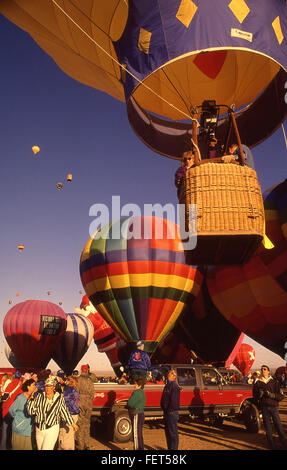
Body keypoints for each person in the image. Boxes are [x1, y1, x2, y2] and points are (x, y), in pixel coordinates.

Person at [26, 376, 76, 451]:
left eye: (49, 386)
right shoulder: (39, 396)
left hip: (52, 428)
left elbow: (64, 411)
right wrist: (32, 397)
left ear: (54, 387)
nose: (47, 388)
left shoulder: (59, 397)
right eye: (46, 386)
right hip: (39, 429)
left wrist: (72, 423)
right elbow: (31, 411)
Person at [253, 364, 287, 450]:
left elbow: (281, 396)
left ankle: (284, 443)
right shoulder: (258, 383)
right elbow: (254, 396)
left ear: (268, 371)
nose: (263, 370)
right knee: (268, 428)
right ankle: (271, 445)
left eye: (264, 369)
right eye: (261, 369)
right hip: (264, 408)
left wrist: (272, 395)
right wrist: (259, 395)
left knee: (278, 426)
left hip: (273, 407)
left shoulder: (275, 382)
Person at [8, 378, 36, 450]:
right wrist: (19, 420)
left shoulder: (34, 398)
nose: (35, 387)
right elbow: (11, 410)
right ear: (28, 387)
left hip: (28, 430)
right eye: (33, 385)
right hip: (19, 429)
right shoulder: (21, 398)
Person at [0, 371, 22, 450]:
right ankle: (10, 446)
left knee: (5, 431)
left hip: (5, 411)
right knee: (13, 432)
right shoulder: (20, 386)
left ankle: (3, 447)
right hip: (13, 412)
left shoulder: (9, 384)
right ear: (20, 377)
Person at [75, 364, 95, 450]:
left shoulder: (78, 380)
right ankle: (87, 445)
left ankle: (80, 445)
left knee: (80, 424)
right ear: (87, 370)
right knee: (87, 424)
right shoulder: (90, 380)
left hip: (80, 402)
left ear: (81, 370)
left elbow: (76, 393)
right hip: (88, 403)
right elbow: (92, 394)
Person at [160, 369, 181, 450]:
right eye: (168, 374)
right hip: (167, 412)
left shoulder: (174, 386)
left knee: (173, 434)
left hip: (172, 413)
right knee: (168, 433)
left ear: (174, 376)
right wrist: (164, 407)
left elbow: (174, 401)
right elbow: (164, 399)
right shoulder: (167, 385)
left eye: (170, 374)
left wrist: (169, 409)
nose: (168, 375)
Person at [59, 375, 80, 450]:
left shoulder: (68, 390)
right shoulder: (75, 389)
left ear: (69, 381)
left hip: (68, 415)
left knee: (65, 436)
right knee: (70, 435)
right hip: (75, 415)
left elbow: (63, 400)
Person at [127, 377, 146, 450]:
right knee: (139, 433)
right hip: (141, 414)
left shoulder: (136, 392)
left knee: (136, 434)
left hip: (136, 415)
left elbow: (130, 403)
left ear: (139, 385)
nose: (134, 385)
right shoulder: (142, 392)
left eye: (135, 384)